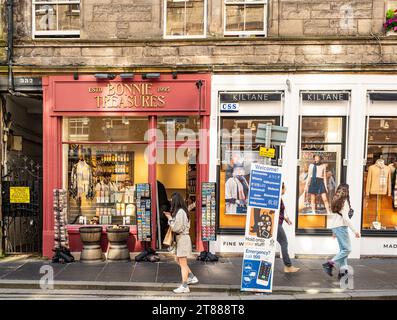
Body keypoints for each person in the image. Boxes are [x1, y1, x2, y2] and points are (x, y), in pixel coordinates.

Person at [322, 184, 360, 279]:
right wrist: (355, 231)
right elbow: (346, 218)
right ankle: (329, 264)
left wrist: (334, 231)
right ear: (346, 191)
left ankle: (343, 272)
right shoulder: (344, 201)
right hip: (341, 227)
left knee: (343, 251)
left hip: (336, 227)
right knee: (347, 250)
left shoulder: (336, 199)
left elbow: (334, 216)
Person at [164, 192, 199, 294]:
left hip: (182, 239)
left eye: (172, 201)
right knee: (177, 259)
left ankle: (184, 286)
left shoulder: (180, 212)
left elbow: (176, 227)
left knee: (183, 264)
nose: (171, 203)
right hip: (181, 239)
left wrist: (169, 218)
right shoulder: (183, 211)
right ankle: (191, 277)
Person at [278, 183, 300, 273]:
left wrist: (286, 219)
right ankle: (288, 266)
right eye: (285, 189)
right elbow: (275, 213)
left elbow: (279, 212)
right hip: (276, 225)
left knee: (283, 243)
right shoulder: (277, 199)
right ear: (281, 189)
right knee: (284, 243)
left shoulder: (279, 198)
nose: (285, 190)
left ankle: (288, 266)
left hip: (278, 224)